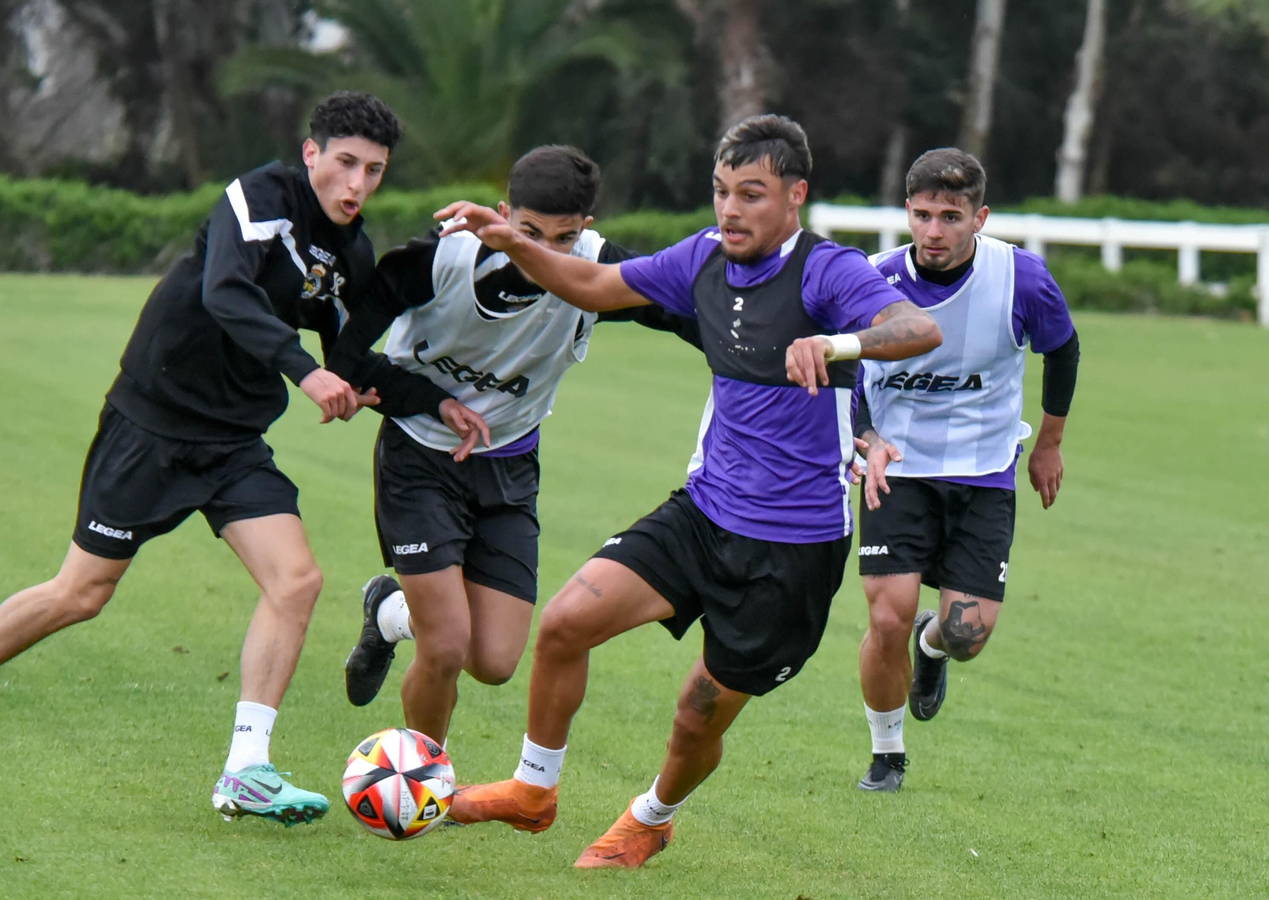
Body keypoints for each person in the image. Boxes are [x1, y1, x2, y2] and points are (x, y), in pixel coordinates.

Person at [0, 92, 483, 827]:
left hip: (233, 441)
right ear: (311, 154)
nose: (356, 185)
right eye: (345, 163)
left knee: (296, 581)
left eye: (375, 171)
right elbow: (226, 293)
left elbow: (354, 360)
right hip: (154, 421)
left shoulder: (350, 254)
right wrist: (305, 373)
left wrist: (429, 399)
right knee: (81, 593)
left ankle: (246, 770)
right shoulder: (260, 197)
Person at [431, 114, 943, 868]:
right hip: (703, 514)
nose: (730, 210)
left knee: (697, 716)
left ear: (796, 196)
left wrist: (837, 343)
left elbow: (916, 327)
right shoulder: (702, 257)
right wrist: (516, 242)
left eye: (752, 194)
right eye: (721, 191)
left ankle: (653, 814)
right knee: (567, 621)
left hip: (792, 550)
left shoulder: (828, 272)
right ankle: (534, 790)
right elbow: (597, 286)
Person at [327, 145, 699, 745]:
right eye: (527, 232)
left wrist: (774, 357)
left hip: (510, 466)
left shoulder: (601, 270)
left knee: (495, 662)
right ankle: (426, 779)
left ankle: (388, 612)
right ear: (503, 213)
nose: (543, 253)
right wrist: (432, 400)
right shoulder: (441, 258)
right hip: (420, 456)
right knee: (446, 647)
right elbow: (345, 353)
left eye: (564, 238)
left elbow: (693, 317)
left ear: (586, 232)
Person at [852, 148, 1080, 792]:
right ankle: (887, 755)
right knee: (887, 616)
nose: (933, 231)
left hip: (983, 474)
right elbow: (848, 375)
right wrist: (864, 441)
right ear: (906, 212)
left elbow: (1063, 352)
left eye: (950, 216)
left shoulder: (1022, 278)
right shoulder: (872, 281)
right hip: (894, 469)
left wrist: (1049, 445)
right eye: (922, 215)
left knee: (966, 635)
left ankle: (933, 649)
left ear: (979, 217)